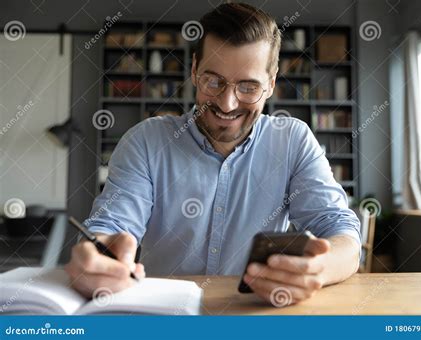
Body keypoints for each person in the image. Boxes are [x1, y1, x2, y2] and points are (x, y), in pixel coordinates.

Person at [65, 2, 361, 306]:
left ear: (271, 84)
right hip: (163, 317)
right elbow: (110, 227)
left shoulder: (294, 142)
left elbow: (341, 231)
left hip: (254, 316)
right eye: (214, 81)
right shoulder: (146, 142)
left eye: (248, 87)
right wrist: (96, 255)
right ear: (194, 71)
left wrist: (317, 269)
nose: (228, 103)